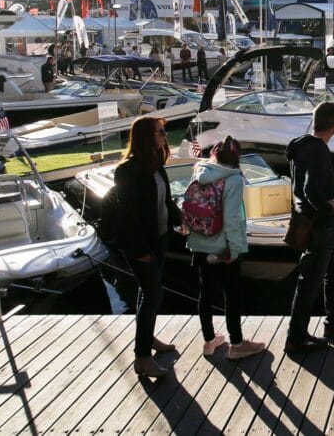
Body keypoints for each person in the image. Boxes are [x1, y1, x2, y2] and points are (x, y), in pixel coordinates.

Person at [285, 102, 334, 355]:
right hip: (320, 226)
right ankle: (295, 338)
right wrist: (327, 207)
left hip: (313, 222)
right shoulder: (318, 150)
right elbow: (311, 189)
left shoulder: (302, 144)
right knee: (309, 281)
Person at [187, 136, 266, 360]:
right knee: (231, 294)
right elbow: (232, 219)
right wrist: (234, 248)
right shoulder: (234, 179)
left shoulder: (199, 170)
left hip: (200, 242)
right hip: (223, 247)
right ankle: (237, 344)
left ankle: (209, 341)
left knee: (206, 293)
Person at [113, 116, 179, 378]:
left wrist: (178, 217)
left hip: (160, 238)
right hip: (141, 244)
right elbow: (126, 216)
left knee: (147, 293)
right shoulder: (128, 170)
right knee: (153, 295)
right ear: (145, 137)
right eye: (160, 131)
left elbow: (165, 200)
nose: (165, 135)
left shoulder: (156, 164)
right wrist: (140, 250)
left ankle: (148, 338)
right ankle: (142, 357)